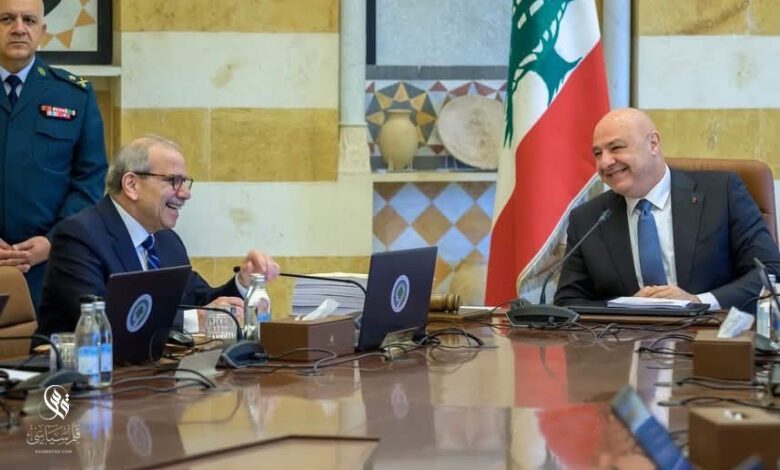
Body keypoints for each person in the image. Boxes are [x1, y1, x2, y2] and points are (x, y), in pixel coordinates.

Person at [36, 135, 280, 336]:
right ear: (132, 185)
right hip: (77, 374)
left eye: (185, 182)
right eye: (174, 181)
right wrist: (194, 320)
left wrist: (243, 282)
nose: (185, 193)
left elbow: (199, 301)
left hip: (150, 371)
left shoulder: (166, 240)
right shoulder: (79, 237)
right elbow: (104, 321)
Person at [554, 108, 780, 311]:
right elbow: (568, 301)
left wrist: (698, 301)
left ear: (653, 144)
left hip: (711, 336)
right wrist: (626, 307)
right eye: (597, 153)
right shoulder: (588, 218)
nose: (605, 162)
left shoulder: (722, 194)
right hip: (624, 341)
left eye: (616, 148)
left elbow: (770, 272)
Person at [0, 0, 107, 309]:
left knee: (46, 339)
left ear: (42, 30)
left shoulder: (74, 95)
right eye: (7, 19)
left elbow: (90, 181)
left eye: (29, 20)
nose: (18, 28)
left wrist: (53, 240)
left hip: (51, 266)